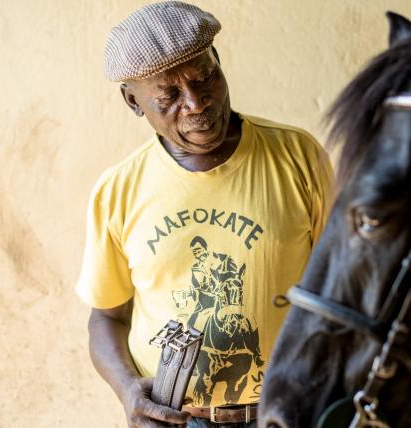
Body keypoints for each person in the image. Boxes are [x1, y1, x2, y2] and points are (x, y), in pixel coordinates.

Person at [75, 2, 334, 427]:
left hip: (292, 411)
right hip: (178, 420)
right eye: (169, 96)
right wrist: (126, 389)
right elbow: (106, 317)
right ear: (133, 101)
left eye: (205, 78)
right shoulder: (118, 191)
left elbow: (346, 285)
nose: (196, 104)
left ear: (219, 62)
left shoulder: (298, 157)